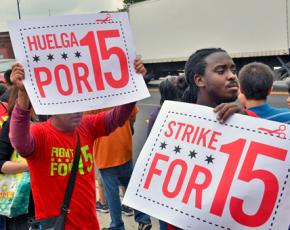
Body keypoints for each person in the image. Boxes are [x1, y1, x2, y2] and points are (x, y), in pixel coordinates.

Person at [8, 58, 147, 230]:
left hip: (90, 225)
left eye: (79, 105)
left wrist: (134, 82)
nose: (78, 112)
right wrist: (22, 94)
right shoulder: (40, 133)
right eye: (70, 106)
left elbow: (117, 117)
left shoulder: (86, 126)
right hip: (56, 226)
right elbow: (18, 141)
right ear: (53, 108)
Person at [92, 104, 152, 230]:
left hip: (105, 151)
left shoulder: (92, 97)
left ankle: (117, 226)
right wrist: (129, 128)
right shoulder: (120, 90)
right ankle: (143, 219)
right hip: (124, 146)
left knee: (112, 193)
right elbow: (132, 114)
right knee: (131, 186)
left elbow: (86, 124)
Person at [147, 75, 187, 230]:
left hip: (165, 180)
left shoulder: (157, 115)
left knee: (166, 218)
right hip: (176, 180)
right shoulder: (187, 113)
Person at [0, 86, 34, 229]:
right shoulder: (10, 126)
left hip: (43, 202)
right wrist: (30, 166)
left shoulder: (44, 124)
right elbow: (0, 163)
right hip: (19, 202)